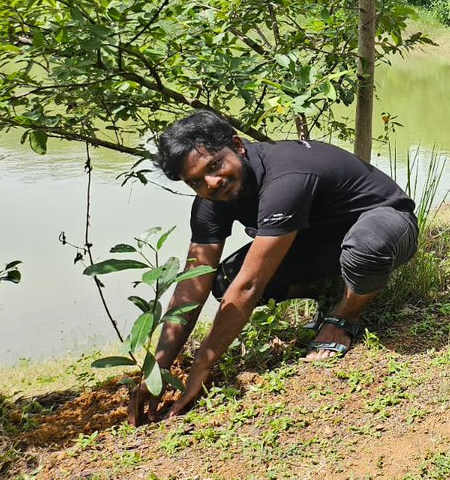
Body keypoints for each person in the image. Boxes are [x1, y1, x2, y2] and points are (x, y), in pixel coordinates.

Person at [130, 110, 418, 423]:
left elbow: (251, 285)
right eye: (196, 181)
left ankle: (344, 316)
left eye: (214, 165)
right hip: (323, 240)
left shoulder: (286, 178)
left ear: (238, 146)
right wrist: (157, 369)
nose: (211, 183)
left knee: (365, 249)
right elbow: (192, 284)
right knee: (225, 279)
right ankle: (333, 288)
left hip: (387, 223)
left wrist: (202, 365)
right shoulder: (211, 201)